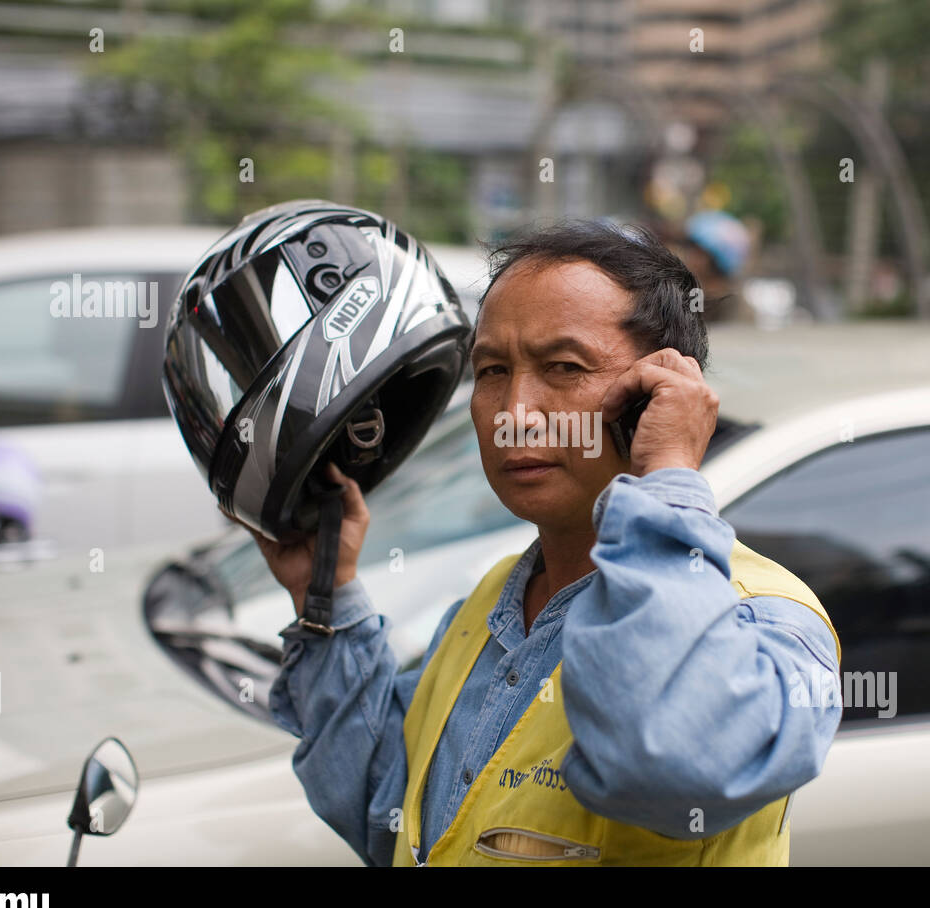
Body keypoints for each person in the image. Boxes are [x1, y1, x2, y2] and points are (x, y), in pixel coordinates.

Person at [234, 218, 842, 866]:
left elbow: (668, 763)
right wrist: (324, 596)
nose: (515, 411)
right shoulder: (492, 603)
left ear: (657, 392)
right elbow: (390, 816)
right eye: (492, 370)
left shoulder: (767, 616)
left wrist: (667, 471)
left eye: (563, 367)